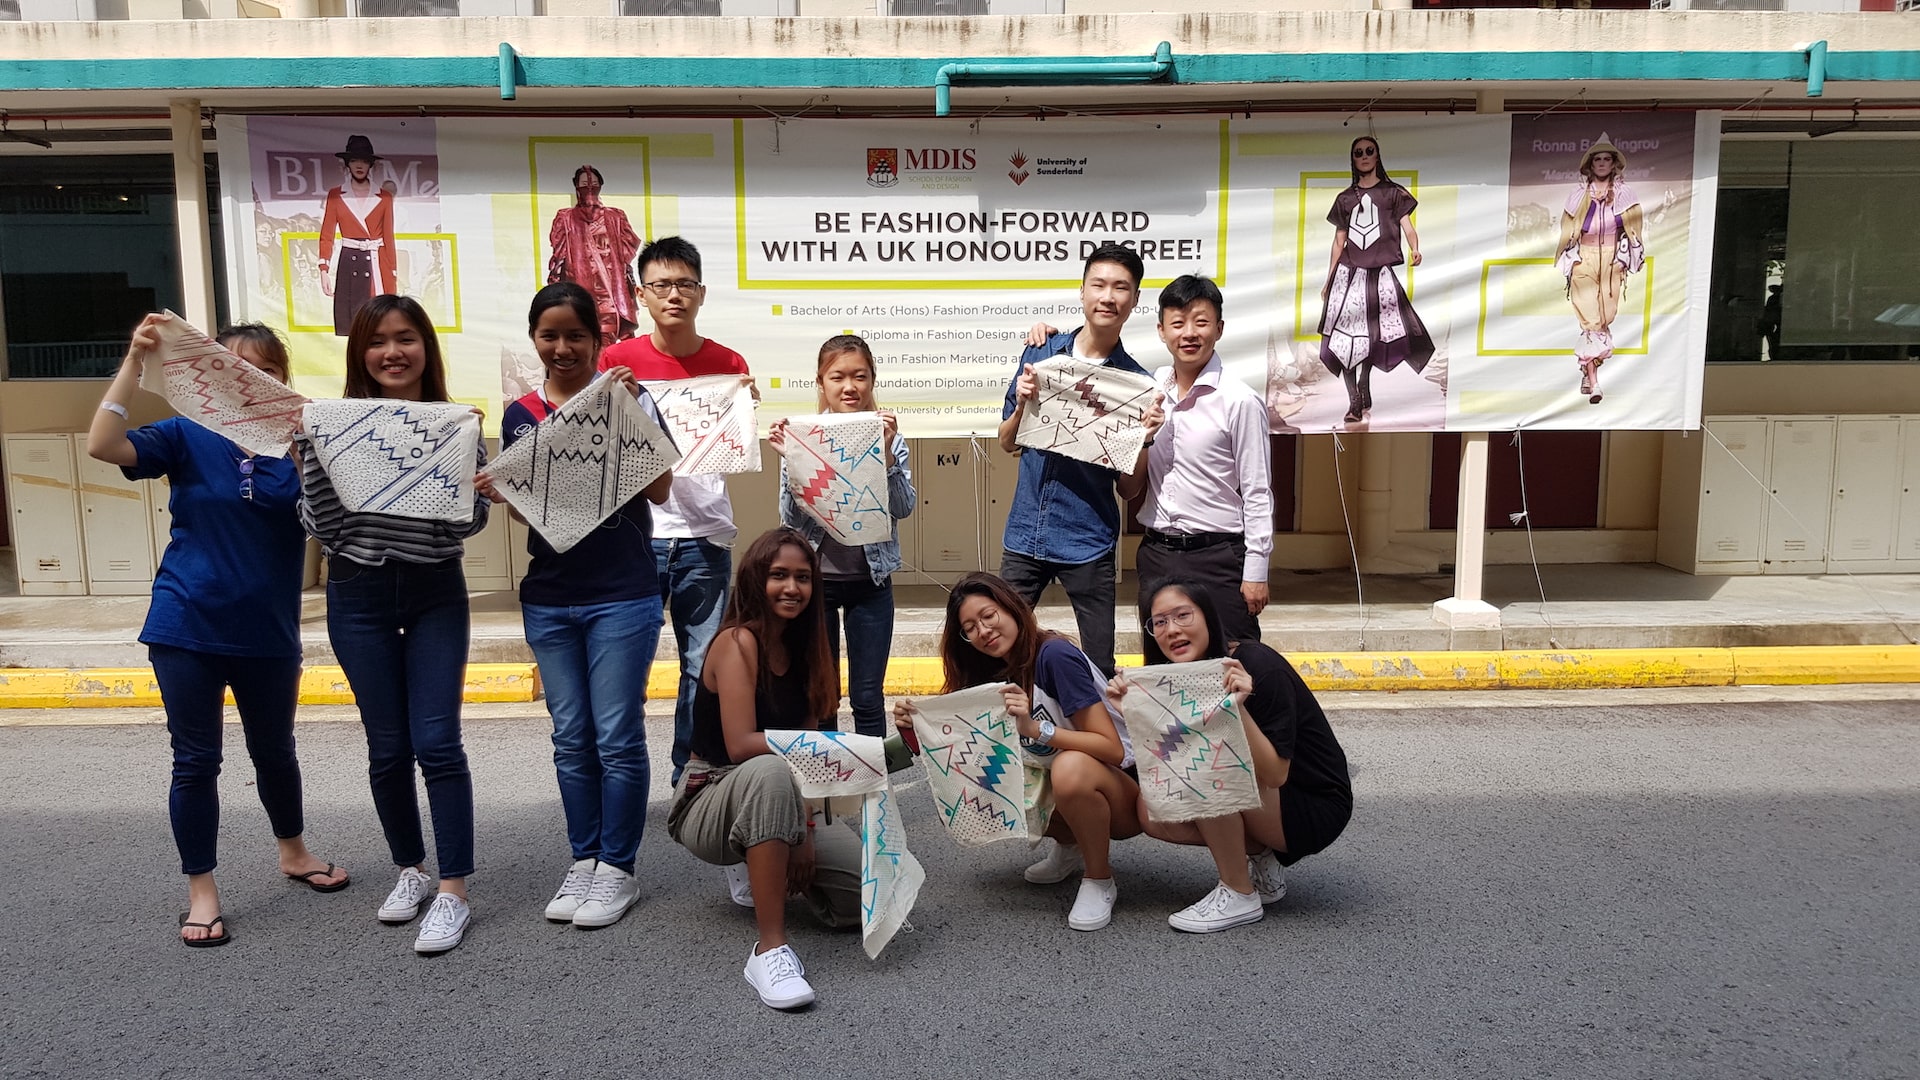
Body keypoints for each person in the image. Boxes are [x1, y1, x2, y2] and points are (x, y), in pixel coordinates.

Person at [88, 316, 349, 947]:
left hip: (268, 630)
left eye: (267, 371)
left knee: (275, 750)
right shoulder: (185, 434)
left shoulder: (303, 447)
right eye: (236, 369)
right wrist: (133, 361)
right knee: (196, 761)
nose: (251, 381)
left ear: (282, 380)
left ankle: (294, 852)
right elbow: (103, 444)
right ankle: (201, 890)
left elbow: (345, 520)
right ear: (213, 377)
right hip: (187, 623)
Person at [476, 283, 674, 930]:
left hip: (624, 594)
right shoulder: (519, 412)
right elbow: (540, 506)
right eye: (549, 335)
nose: (562, 348)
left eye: (576, 336)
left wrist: (629, 410)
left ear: (598, 341)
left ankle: (618, 868)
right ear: (535, 338)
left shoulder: (626, 397)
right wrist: (510, 484)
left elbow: (663, 487)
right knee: (571, 739)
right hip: (552, 598)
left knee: (616, 735)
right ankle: (583, 859)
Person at [296, 294, 489, 955]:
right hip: (357, 593)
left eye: (406, 338)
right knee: (387, 748)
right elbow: (326, 527)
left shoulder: (456, 422)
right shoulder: (332, 426)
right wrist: (311, 462)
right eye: (378, 342)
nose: (393, 352)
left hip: (436, 590)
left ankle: (454, 892)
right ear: (361, 356)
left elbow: (466, 523)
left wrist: (468, 473)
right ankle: (410, 869)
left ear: (426, 350)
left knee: (437, 742)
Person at [665, 528, 859, 1011]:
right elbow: (742, 744)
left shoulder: (812, 651)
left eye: (802, 577)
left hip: (782, 793)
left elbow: (811, 758)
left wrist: (805, 832)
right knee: (772, 769)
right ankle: (770, 949)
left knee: (859, 898)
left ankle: (765, 851)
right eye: (778, 576)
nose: (792, 587)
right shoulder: (736, 642)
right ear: (755, 579)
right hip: (709, 792)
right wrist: (796, 811)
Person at [896, 571, 1141, 931]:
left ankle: (1099, 879)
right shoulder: (991, 673)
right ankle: (1072, 843)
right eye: (970, 627)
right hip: (1073, 780)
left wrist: (1035, 728)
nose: (983, 630)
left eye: (988, 615)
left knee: (1069, 768)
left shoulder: (1054, 656)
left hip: (1127, 791)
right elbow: (956, 749)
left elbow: (1112, 748)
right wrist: (910, 726)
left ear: (1011, 607)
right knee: (983, 773)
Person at [598, 235, 754, 787]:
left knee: (700, 665)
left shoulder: (728, 363)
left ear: (701, 293)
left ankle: (687, 769)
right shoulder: (617, 360)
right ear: (641, 294)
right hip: (637, 534)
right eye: (661, 285)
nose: (674, 295)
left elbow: (732, 449)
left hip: (705, 533)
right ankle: (625, 775)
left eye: (684, 284)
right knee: (628, 668)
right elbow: (603, 443)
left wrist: (743, 412)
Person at [1119, 577, 1351, 933]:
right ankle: (1261, 857)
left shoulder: (1257, 664)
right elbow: (1164, 761)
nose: (1172, 630)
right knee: (1152, 812)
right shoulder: (1182, 677)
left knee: (1208, 760)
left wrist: (1234, 708)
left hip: (1312, 802)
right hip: (1266, 798)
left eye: (1183, 615)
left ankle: (1238, 892)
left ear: (1209, 617)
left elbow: (1275, 775)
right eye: (1160, 622)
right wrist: (1132, 707)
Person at [998, 243, 1165, 678]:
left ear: (1134, 300)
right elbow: (1006, 442)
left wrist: (1144, 440)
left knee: (1099, 666)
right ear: (1082, 291)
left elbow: (1129, 491)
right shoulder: (1041, 353)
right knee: (996, 656)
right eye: (1099, 284)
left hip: (1088, 542)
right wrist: (1021, 406)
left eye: (1120, 288)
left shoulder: (1137, 385)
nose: (1108, 296)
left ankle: (1100, 746)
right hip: (1024, 534)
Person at [768, 334, 916, 739]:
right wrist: (793, 463)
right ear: (821, 382)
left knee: (868, 696)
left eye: (860, 376)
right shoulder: (802, 437)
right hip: (817, 586)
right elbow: (790, 521)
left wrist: (885, 457)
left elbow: (903, 508)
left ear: (872, 380)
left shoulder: (890, 436)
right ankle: (832, 788)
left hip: (871, 583)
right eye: (838, 377)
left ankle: (872, 792)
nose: (849, 386)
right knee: (824, 696)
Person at [1120, 275, 1274, 646]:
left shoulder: (1239, 401)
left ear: (1218, 329)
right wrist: (1145, 438)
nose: (1189, 333)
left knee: (1235, 661)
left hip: (1217, 557)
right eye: (1177, 323)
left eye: (1201, 322)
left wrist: (1256, 571)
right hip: (1157, 555)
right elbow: (1128, 489)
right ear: (1161, 330)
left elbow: (1257, 492)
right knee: (1163, 664)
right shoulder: (1149, 392)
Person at [1317, 135, 1435, 425]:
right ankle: (1354, 401)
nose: (1365, 156)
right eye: (1359, 153)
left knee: (1372, 335)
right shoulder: (1345, 198)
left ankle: (1364, 383)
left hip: (1379, 273)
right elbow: (1339, 241)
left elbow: (1407, 226)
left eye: (1370, 151)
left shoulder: (1393, 193)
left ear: (1378, 156)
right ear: (1353, 159)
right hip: (1349, 273)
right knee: (1345, 337)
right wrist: (1329, 279)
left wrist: (1415, 248)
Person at [1554, 133, 1644, 405]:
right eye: (1598, 159)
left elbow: (1635, 229)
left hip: (1613, 259)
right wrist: (1572, 257)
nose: (1602, 163)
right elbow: (1567, 228)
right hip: (1586, 256)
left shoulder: (1626, 194)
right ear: (1590, 164)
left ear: (1614, 163)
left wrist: (1626, 257)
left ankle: (1587, 370)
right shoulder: (1579, 195)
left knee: (1605, 319)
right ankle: (1595, 384)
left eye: (1607, 159)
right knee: (1591, 321)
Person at [546, 165, 643, 344]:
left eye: (594, 184)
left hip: (612, 290)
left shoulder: (616, 216)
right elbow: (559, 254)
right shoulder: (565, 217)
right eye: (584, 184)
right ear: (576, 186)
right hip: (580, 287)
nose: (589, 189)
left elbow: (628, 248)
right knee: (584, 333)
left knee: (613, 338)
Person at [318, 134, 398, 337]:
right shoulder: (336, 195)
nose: (359, 165)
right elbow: (327, 233)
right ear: (347, 164)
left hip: (376, 263)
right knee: (353, 324)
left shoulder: (384, 197)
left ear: (371, 164)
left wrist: (392, 272)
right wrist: (324, 269)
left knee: (379, 320)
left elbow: (389, 237)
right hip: (349, 261)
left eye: (364, 160)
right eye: (354, 160)